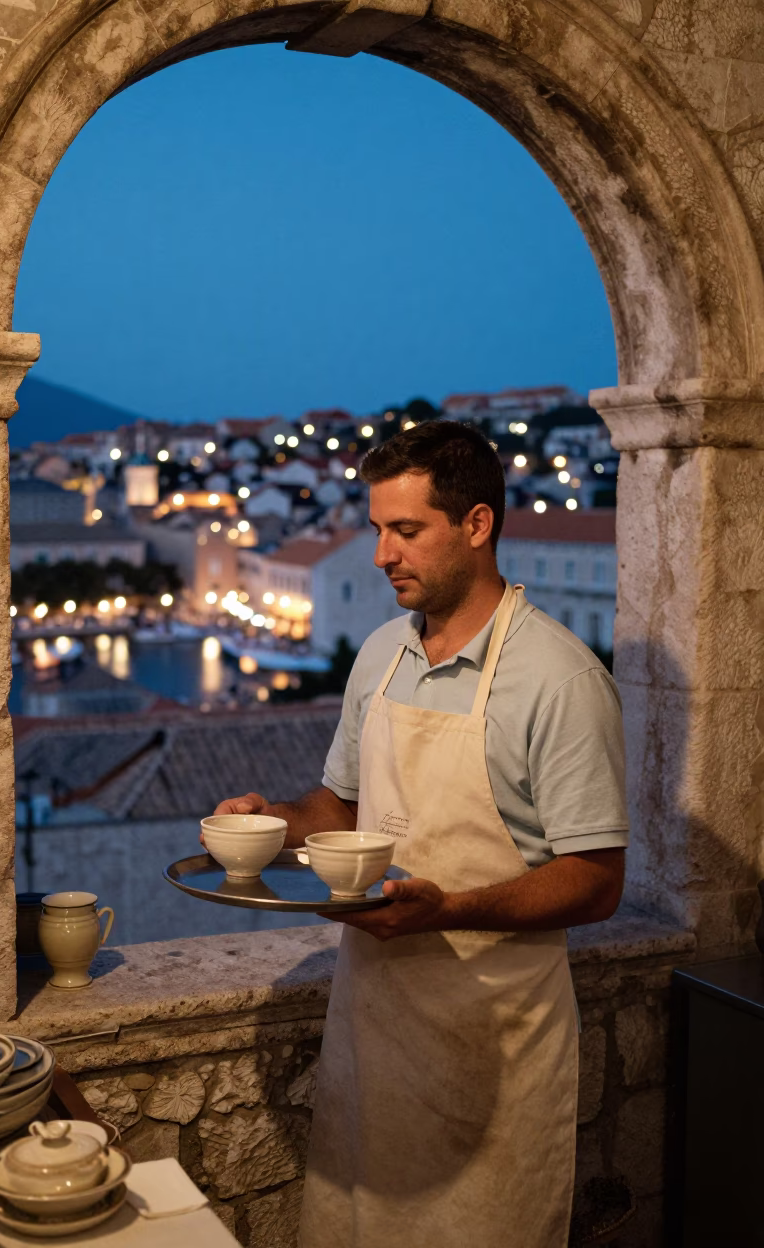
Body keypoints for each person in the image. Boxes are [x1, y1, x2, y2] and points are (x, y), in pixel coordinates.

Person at [209, 421, 628, 1248]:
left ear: (477, 525)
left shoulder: (561, 679)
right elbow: (338, 811)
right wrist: (272, 823)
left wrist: (447, 909)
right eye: (376, 529)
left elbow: (596, 880)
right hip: (374, 1034)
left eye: (406, 531)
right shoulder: (380, 656)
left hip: (495, 1053)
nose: (380, 555)